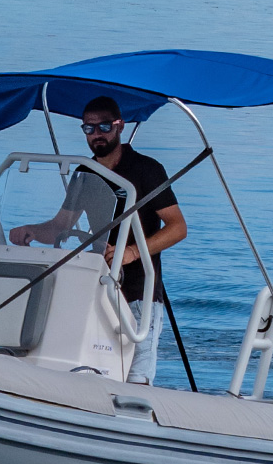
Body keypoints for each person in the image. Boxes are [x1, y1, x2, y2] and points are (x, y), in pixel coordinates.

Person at [10, 96, 187, 385]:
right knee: (92, 365)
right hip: (99, 285)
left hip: (140, 290)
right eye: (89, 129)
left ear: (120, 126)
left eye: (104, 126)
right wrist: (30, 230)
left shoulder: (147, 169)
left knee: (136, 374)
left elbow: (178, 228)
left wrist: (130, 252)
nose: (96, 135)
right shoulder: (84, 172)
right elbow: (59, 226)